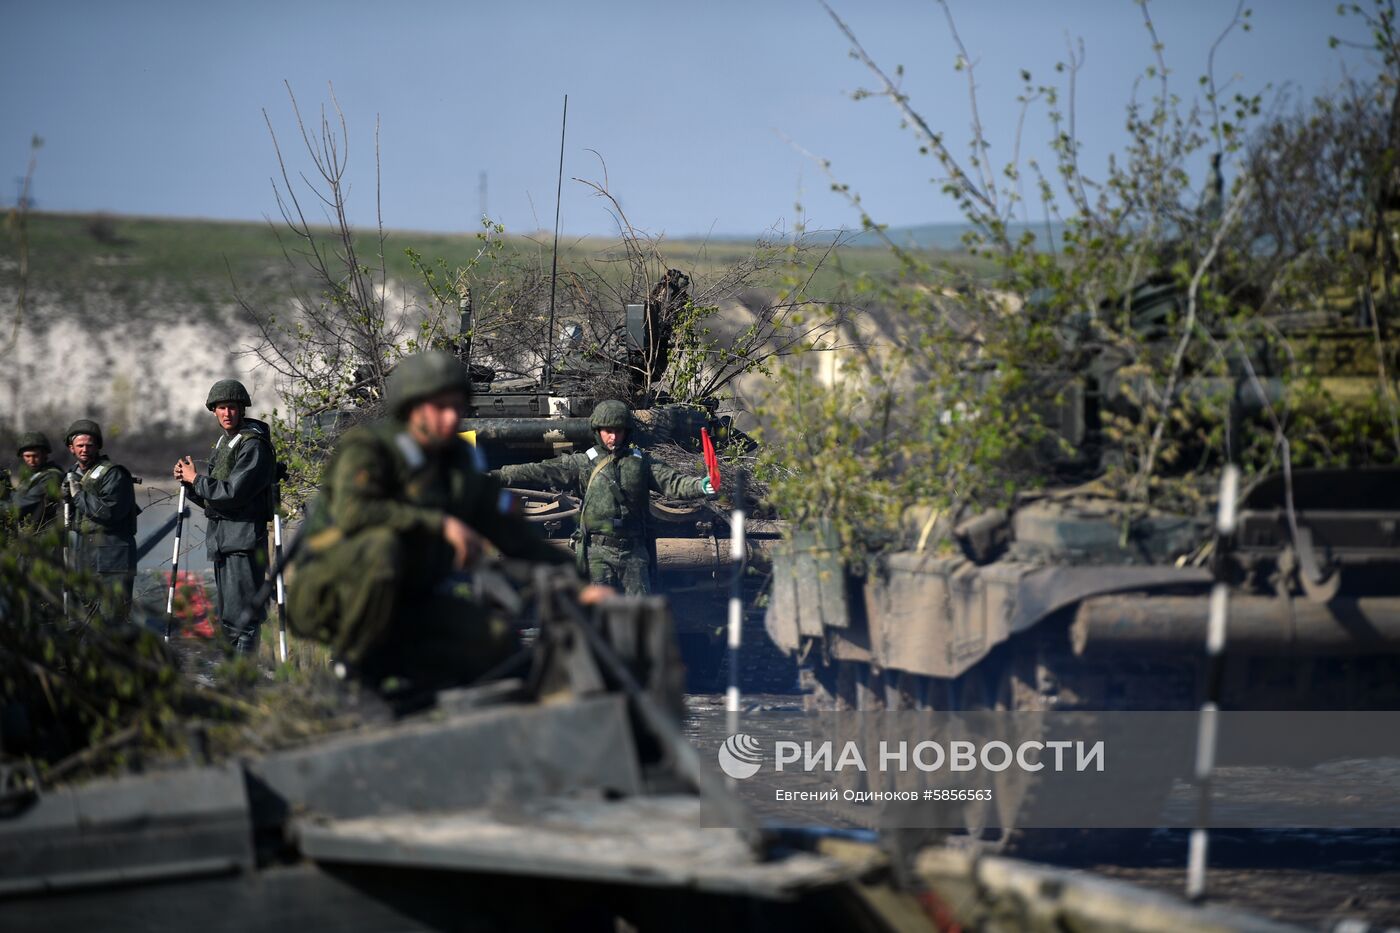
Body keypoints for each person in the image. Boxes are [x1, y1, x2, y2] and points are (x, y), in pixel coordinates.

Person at [288, 351, 599, 690]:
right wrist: (440, 524)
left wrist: (583, 585)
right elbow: (354, 513)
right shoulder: (370, 449)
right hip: (335, 594)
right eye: (439, 407)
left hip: (413, 600)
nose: (451, 418)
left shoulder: (456, 462)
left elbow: (514, 536)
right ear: (412, 408)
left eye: (457, 407)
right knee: (383, 546)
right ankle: (353, 671)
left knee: (496, 642)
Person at [492, 399, 715, 595]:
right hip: (597, 552)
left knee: (640, 618)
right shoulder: (582, 463)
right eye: (608, 430)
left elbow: (673, 483)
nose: (613, 436)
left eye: (618, 431)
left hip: (633, 551)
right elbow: (538, 471)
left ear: (627, 432)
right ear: (597, 431)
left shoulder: (641, 463)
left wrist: (701, 486)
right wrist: (498, 476)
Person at [174, 380, 276, 656]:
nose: (227, 413)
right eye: (221, 408)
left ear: (242, 409)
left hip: (242, 540)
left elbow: (233, 493)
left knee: (243, 618)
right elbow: (214, 500)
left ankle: (243, 682)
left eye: (232, 407)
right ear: (214, 412)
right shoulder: (225, 443)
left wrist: (198, 479)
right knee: (230, 618)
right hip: (223, 540)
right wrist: (190, 483)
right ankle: (234, 678)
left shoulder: (252, 445)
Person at [64, 419, 138, 622]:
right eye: (80, 445)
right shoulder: (72, 475)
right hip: (85, 552)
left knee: (112, 617)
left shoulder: (113, 474)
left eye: (89, 445)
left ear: (98, 446)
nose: (85, 449)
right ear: (71, 448)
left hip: (112, 555)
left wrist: (77, 495)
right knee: (84, 616)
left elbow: (108, 511)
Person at [12, 432, 65, 533]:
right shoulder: (31, 476)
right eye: (27, 456)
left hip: (47, 535)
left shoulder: (52, 475)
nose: (31, 460)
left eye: (35, 456)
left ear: (45, 455)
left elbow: (24, 503)